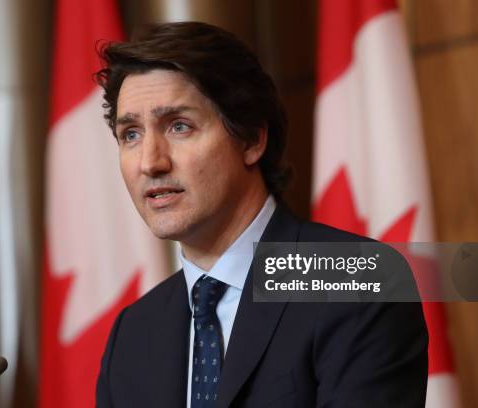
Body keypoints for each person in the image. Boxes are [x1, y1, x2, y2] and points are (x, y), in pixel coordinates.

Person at [95, 21, 427, 408]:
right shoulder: (133, 334)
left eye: (179, 126)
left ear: (252, 138)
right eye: (131, 134)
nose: (150, 162)